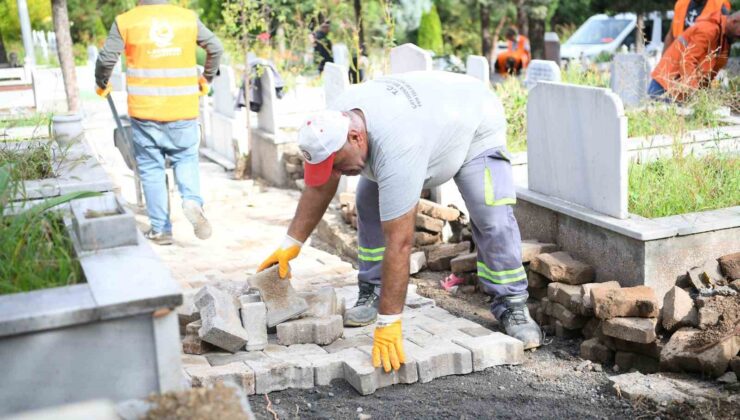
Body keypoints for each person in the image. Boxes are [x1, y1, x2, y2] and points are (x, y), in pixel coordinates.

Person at [258, 71, 541, 373]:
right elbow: (323, 180)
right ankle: (374, 287)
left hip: (473, 123)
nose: (337, 173)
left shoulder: (397, 145)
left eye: (338, 164)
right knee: (367, 202)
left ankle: (511, 303)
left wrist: (389, 322)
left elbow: (400, 242)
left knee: (491, 216)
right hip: (422, 121)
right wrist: (292, 243)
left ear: (356, 137)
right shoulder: (336, 122)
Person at [95, 0, 223, 245]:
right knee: (185, 158)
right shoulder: (186, 18)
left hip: (145, 113)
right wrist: (206, 79)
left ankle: (161, 230)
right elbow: (215, 48)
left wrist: (101, 82)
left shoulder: (126, 21)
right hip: (183, 109)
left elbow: (106, 58)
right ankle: (192, 201)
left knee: (151, 168)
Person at [649, 11, 740, 100]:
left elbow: (708, 72)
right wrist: (694, 93)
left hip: (676, 87)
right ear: (734, 22)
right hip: (665, 85)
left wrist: (703, 95)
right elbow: (688, 60)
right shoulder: (709, 30)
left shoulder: (724, 38)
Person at [663, 0, 731, 54]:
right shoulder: (681, 3)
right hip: (677, 59)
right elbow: (671, 35)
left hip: (702, 63)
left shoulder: (720, 7)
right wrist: (663, 64)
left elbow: (725, 42)